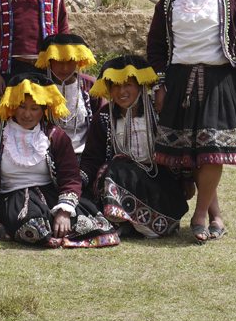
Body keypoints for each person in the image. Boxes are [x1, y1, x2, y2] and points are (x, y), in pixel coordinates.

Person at [147, 0, 236, 243]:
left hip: (219, 80)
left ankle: (199, 215)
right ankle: (215, 214)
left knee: (212, 152)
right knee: (192, 152)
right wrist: (160, 85)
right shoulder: (168, 2)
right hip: (180, 82)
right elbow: (156, 47)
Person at [0, 72, 119, 247]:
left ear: (44, 109)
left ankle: (56, 228)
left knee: (88, 226)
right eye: (22, 106)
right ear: (12, 105)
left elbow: (70, 177)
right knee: (33, 228)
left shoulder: (55, 135)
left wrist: (64, 211)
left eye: (34, 108)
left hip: (50, 195)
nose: (27, 114)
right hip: (13, 197)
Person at [80, 56, 189, 239]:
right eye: (115, 86)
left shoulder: (159, 113)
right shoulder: (104, 117)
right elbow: (92, 157)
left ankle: (141, 223)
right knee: (114, 168)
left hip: (158, 182)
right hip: (119, 179)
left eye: (128, 85)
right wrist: (79, 181)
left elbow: (178, 150)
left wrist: (186, 179)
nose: (121, 91)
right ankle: (121, 221)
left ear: (141, 86)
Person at [35, 33, 101, 163]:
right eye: (59, 61)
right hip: (47, 154)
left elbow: (100, 125)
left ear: (78, 60)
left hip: (85, 155)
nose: (64, 68)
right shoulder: (38, 87)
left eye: (70, 61)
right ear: (49, 60)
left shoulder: (90, 86)